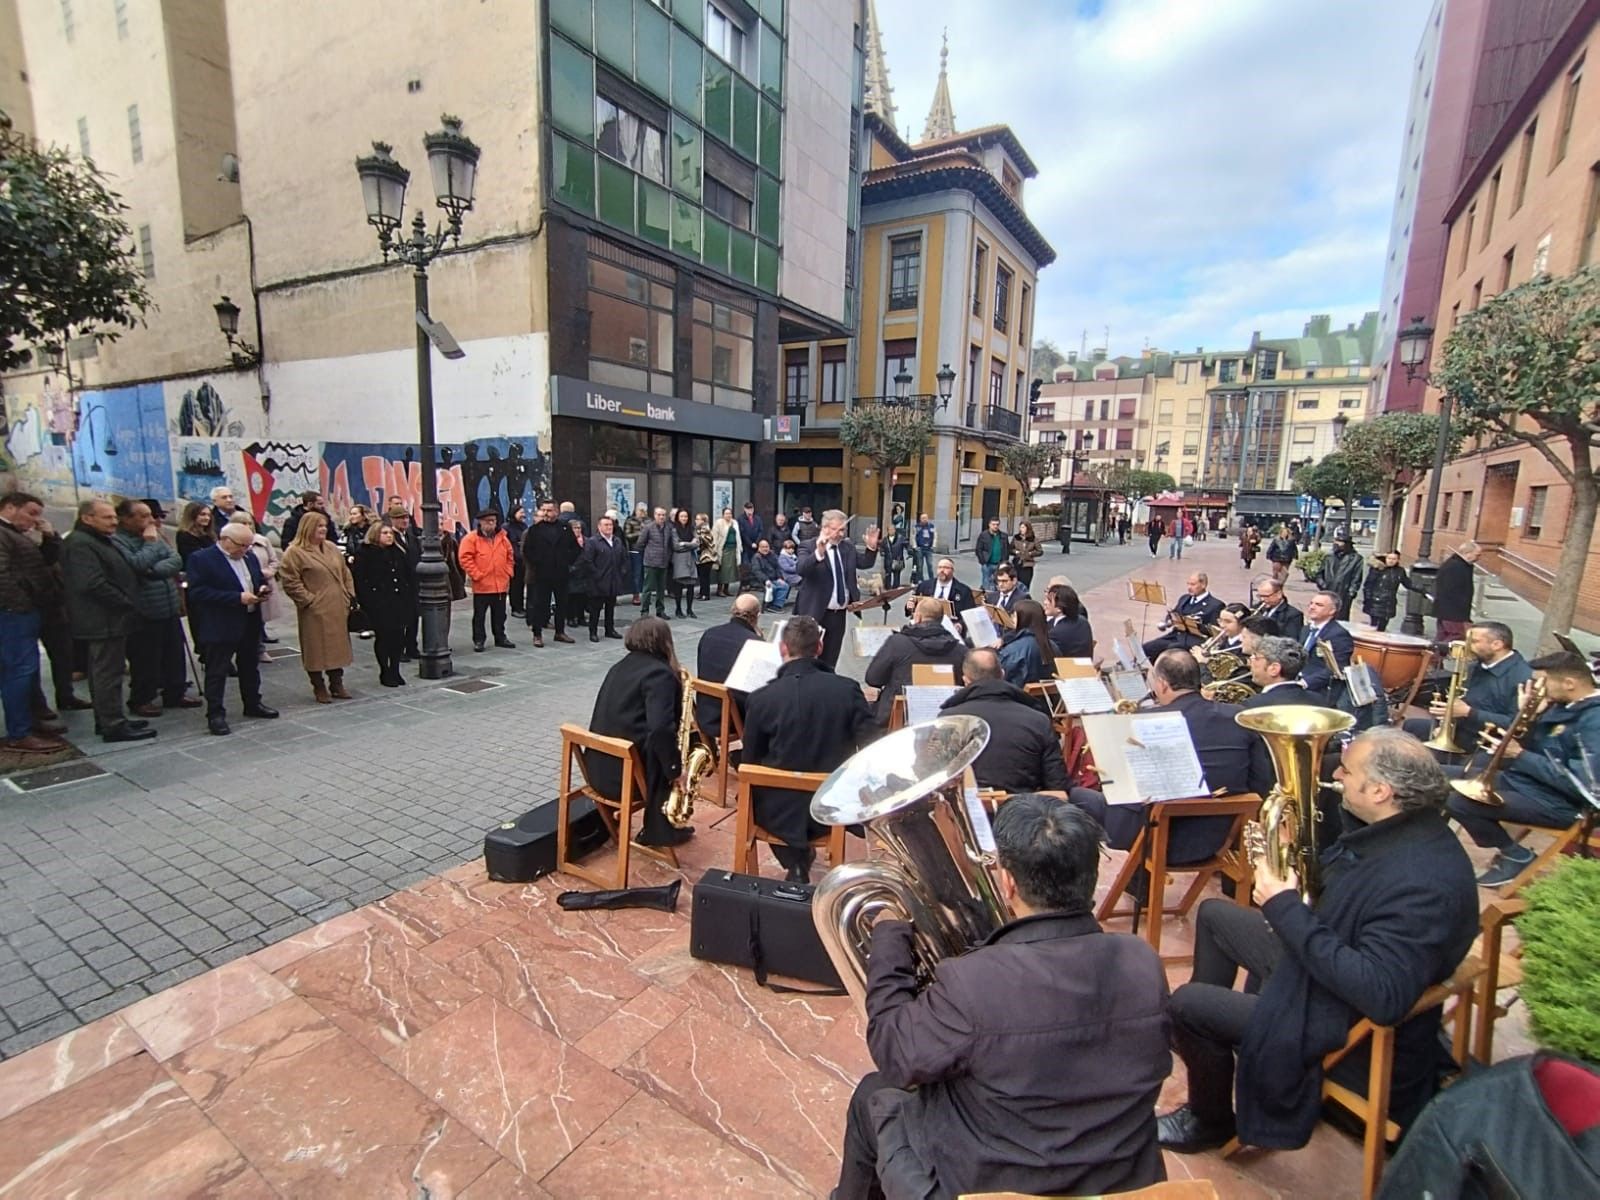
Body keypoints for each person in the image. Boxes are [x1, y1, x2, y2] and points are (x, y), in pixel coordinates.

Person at [1159, 728, 1479, 1154]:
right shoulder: (1402, 832)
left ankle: (1209, 1118)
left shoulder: (1424, 882)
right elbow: (1348, 901)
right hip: (1320, 971)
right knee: (1216, 916)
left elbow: (1381, 994)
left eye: (1346, 771)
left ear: (1381, 790)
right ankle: (1213, 1045)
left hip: (1332, 1017)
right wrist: (1288, 855)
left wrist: (1285, 905)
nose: (1336, 777)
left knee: (1188, 1003)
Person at [836, 795, 1171, 1200]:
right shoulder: (1144, 962)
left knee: (873, 1096)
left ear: (1007, 882)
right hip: (1122, 1183)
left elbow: (895, 1051)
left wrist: (889, 936)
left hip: (992, 1188)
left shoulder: (972, 983)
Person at [1071, 650, 1268, 866]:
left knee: (1075, 796)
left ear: (1163, 684)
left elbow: (1119, 788)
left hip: (1155, 837)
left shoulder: (1144, 720)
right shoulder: (1238, 717)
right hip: (1220, 836)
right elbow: (1260, 782)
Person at [1445, 651, 1600, 886]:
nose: (1538, 688)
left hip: (1561, 804)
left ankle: (1516, 856)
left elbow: (1583, 785)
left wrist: (1520, 756)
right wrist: (1527, 717)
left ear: (1569, 683)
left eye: (1543, 681)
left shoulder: (1594, 722)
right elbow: (1533, 747)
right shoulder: (1562, 705)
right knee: (1437, 776)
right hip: (1526, 781)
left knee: (1460, 801)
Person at [742, 616, 874, 882]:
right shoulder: (847, 690)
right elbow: (872, 746)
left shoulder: (761, 698)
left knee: (755, 787)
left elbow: (750, 761)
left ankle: (796, 861)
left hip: (776, 813)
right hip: (831, 807)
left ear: (782, 649)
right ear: (820, 648)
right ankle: (799, 861)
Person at [587, 616, 693, 849]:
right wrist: (676, 770)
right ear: (664, 641)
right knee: (662, 753)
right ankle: (659, 831)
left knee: (654, 747)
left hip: (595, 771)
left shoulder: (620, 666)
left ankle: (657, 827)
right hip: (625, 779)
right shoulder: (660, 674)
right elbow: (660, 729)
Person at [60, 499, 155, 743]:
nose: (113, 521)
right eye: (107, 517)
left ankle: (112, 719)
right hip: (103, 619)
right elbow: (92, 583)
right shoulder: (80, 543)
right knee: (106, 673)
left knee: (108, 672)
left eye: (114, 517)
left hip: (111, 618)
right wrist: (125, 601)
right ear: (87, 518)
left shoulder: (98, 540)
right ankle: (112, 724)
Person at [184, 524, 281, 734]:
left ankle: (253, 703)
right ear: (225, 540)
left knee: (250, 666)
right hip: (222, 622)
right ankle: (216, 714)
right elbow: (197, 593)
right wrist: (236, 598)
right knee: (217, 671)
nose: (245, 550)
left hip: (249, 620)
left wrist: (261, 589)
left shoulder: (249, 557)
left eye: (248, 545)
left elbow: (257, 579)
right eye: (241, 545)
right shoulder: (202, 559)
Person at [940, 650, 1069, 794]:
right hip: (1026, 811)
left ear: (966, 681)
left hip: (967, 812)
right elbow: (1058, 786)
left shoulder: (948, 719)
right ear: (1002, 674)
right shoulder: (1038, 720)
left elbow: (936, 779)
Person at [112, 499, 195, 717]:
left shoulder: (154, 535)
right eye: (144, 516)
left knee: (174, 652)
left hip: (167, 603)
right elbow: (136, 566)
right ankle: (142, 698)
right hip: (144, 608)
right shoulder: (119, 541)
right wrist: (149, 546)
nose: (151, 520)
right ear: (126, 519)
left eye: (151, 515)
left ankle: (175, 692)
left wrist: (154, 569)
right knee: (146, 658)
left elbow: (175, 559)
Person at [0, 492, 70, 753]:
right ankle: (19, 732)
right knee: (18, 670)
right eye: (31, 513)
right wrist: (21, 604)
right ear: (10, 507)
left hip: (30, 609)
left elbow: (43, 561)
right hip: (15, 613)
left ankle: (32, 718)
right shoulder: (3, 535)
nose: (35, 520)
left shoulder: (16, 535)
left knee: (26, 670)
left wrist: (49, 538)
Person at [1402, 621, 1533, 754]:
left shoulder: (1522, 677)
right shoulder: (1475, 666)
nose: (1466, 646)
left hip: (1485, 740)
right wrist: (1443, 721)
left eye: (1473, 641)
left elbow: (1514, 723)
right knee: (1411, 726)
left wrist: (1469, 712)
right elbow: (1462, 701)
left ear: (1497, 645)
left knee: (1424, 755)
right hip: (1464, 728)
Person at [278, 511, 356, 704]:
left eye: (324, 525)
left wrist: (348, 595)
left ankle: (336, 683)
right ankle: (318, 686)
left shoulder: (330, 547)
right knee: (316, 648)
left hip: (337, 605)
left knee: (338, 647)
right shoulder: (295, 552)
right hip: (314, 609)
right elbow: (290, 581)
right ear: (307, 528)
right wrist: (309, 600)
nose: (322, 529)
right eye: (318, 526)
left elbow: (345, 572)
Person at [863, 597, 967, 725]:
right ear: (941, 620)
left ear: (917, 617)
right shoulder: (960, 650)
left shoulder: (897, 643)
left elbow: (873, 678)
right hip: (943, 719)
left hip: (897, 719)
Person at [795, 509, 865, 669]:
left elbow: (863, 562)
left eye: (843, 530)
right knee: (809, 658)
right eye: (836, 529)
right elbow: (801, 569)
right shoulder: (808, 545)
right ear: (824, 528)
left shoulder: (847, 547)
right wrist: (819, 553)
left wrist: (872, 548)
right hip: (815, 612)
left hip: (838, 614)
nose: (840, 534)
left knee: (831, 660)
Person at [694, 592, 763, 745]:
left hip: (705, 712)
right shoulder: (754, 643)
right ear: (757, 616)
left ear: (732, 611)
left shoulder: (709, 634)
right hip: (733, 719)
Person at [352, 522, 415, 687]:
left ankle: (395, 669)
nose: (389, 536)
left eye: (390, 533)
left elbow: (407, 575)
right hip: (379, 603)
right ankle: (385, 671)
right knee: (384, 637)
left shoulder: (398, 552)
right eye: (384, 533)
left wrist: (409, 595)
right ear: (375, 535)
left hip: (399, 600)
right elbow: (360, 580)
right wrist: (368, 600)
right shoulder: (365, 553)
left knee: (398, 637)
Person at [457, 507, 517, 652]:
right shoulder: (471, 538)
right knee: (479, 615)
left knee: (500, 614)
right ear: (481, 523)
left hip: (500, 583)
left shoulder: (502, 537)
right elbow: (465, 558)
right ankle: (479, 640)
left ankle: (500, 637)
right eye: (488, 521)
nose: (492, 524)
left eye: (494, 521)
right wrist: (477, 575)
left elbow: (510, 555)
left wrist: (508, 572)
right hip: (482, 584)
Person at [521, 499, 579, 647]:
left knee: (561, 604)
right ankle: (537, 634)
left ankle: (560, 632)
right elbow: (527, 550)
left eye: (549, 510)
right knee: (540, 604)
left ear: (556, 512)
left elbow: (575, 548)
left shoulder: (565, 528)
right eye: (544, 510)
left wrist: (567, 562)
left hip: (561, 573)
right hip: (542, 573)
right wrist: (538, 562)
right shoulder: (535, 530)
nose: (546, 513)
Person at [1142, 572, 1224, 660]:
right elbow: (1174, 612)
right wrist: (1169, 621)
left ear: (1203, 584)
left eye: (1193, 584)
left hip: (1194, 641)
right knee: (1146, 648)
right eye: (1188, 584)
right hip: (1176, 636)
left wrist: (1196, 625)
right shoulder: (1184, 598)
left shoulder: (1215, 605)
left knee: (1170, 652)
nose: (1189, 587)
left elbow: (1214, 631)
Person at [574, 514, 625, 641]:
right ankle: (593, 631)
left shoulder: (617, 541)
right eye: (606, 525)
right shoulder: (593, 542)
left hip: (613, 580)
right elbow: (588, 561)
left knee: (610, 607)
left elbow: (624, 558)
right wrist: (596, 574)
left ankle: (610, 629)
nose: (609, 527)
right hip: (597, 582)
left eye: (610, 525)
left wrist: (622, 572)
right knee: (595, 609)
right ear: (599, 527)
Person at [1238, 636, 1324, 710]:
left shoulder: (1254, 705)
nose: (1250, 661)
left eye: (1256, 658)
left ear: (1274, 669)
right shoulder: (1320, 701)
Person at [1299, 590, 1355, 698]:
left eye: (1319, 605)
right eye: (1311, 603)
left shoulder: (1339, 635)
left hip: (1319, 689)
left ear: (1332, 611)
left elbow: (1336, 669)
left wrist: (1305, 682)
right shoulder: (1306, 630)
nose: (1312, 607)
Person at [1428, 541, 1480, 641]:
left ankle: (1435, 654)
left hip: (1447, 610)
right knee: (1456, 635)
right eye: (1477, 555)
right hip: (1452, 611)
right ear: (1468, 553)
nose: (1478, 558)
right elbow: (1451, 590)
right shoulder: (1456, 566)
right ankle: (1437, 654)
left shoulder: (1457, 564)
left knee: (1443, 635)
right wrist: (1463, 615)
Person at [1316, 535, 1364, 622]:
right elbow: (1320, 573)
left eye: (1340, 542)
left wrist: (1351, 592)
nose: (1336, 544)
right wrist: (1322, 584)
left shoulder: (1356, 559)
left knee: (1341, 617)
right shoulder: (1329, 557)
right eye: (1336, 542)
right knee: (1325, 615)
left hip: (1344, 593)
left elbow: (1357, 577)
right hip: (1328, 590)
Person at [636, 506, 673, 620]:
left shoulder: (668, 527)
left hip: (663, 562)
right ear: (654, 515)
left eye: (663, 515)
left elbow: (671, 543)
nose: (661, 517)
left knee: (661, 589)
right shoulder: (648, 527)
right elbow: (640, 543)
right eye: (659, 515)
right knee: (647, 588)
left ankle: (660, 610)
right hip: (651, 563)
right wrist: (649, 554)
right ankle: (644, 611)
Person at [907, 556, 975, 616]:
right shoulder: (924, 586)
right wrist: (909, 607)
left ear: (953, 570)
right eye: (940, 567)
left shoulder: (964, 591)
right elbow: (912, 608)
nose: (942, 570)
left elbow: (969, 614)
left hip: (951, 626)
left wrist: (960, 625)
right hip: (926, 626)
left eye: (946, 568)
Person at [1044, 583, 1093, 659]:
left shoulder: (1056, 633)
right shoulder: (1083, 621)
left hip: (1068, 669)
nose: (1045, 603)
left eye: (1049, 600)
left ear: (1059, 608)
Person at [1361, 550, 1405, 631]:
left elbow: (1407, 583)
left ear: (1398, 560)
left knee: (1383, 625)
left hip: (1389, 602)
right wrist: (1367, 599)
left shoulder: (1399, 571)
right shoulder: (1378, 568)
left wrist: (1423, 590)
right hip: (1376, 600)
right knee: (1374, 625)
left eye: (1394, 559)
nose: (1391, 561)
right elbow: (1368, 585)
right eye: (1389, 558)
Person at [1254, 576, 1304, 643]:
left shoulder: (1293, 615)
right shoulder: (1257, 608)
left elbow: (1291, 641)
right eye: (1260, 596)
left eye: (1266, 596)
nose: (1262, 599)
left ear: (1279, 594)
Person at [668, 507, 699, 619]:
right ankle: (678, 609)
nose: (684, 518)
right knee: (679, 586)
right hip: (679, 559)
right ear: (678, 517)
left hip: (690, 560)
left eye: (685, 516)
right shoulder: (674, 529)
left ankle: (690, 609)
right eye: (681, 516)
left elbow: (697, 543)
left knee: (691, 586)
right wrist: (690, 544)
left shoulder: (692, 528)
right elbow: (676, 546)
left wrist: (684, 544)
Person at [711, 506, 742, 597]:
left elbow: (738, 536)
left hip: (733, 549)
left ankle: (726, 589)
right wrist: (714, 549)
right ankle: (719, 589)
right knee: (723, 570)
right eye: (726, 513)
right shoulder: (719, 523)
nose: (728, 515)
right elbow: (715, 536)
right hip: (724, 549)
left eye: (730, 513)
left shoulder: (735, 523)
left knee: (731, 571)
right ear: (723, 514)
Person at [505, 504, 529, 617]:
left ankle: (520, 607)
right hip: (513, 560)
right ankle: (516, 608)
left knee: (521, 584)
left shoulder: (524, 526)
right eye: (521, 512)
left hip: (523, 560)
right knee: (515, 585)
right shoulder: (507, 527)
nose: (523, 515)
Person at [564, 518, 590, 627]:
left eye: (579, 528)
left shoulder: (587, 540)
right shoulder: (566, 541)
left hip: (584, 572)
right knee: (571, 596)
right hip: (571, 572)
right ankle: (570, 617)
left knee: (582, 596)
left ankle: (581, 617)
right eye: (575, 528)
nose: (578, 530)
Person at [749, 538, 786, 610]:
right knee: (773, 587)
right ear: (759, 548)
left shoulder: (772, 554)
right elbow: (757, 571)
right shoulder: (756, 557)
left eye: (767, 547)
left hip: (773, 578)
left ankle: (777, 605)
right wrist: (766, 580)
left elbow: (777, 567)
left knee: (784, 586)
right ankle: (768, 605)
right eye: (763, 547)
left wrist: (779, 577)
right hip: (759, 580)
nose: (765, 549)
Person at [622, 501, 647, 606]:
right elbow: (627, 535)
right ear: (636, 510)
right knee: (636, 574)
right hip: (635, 550)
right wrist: (641, 532)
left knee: (646, 574)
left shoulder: (649, 521)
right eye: (640, 511)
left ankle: (646, 595)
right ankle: (636, 595)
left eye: (644, 511)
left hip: (647, 550)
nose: (642, 513)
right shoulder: (630, 521)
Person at [175, 501, 216, 567]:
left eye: (209, 515)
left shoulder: (209, 534)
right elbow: (193, 557)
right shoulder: (184, 535)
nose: (207, 518)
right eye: (203, 514)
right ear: (192, 516)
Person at [975, 517, 1007, 592]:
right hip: (987, 564)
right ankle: (986, 597)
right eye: (993, 524)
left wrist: (1004, 561)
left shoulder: (1003, 536)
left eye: (997, 524)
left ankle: (996, 597)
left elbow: (1006, 549)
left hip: (999, 564)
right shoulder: (984, 535)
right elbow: (978, 549)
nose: (995, 526)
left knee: (998, 582)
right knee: (986, 581)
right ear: (989, 525)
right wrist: (982, 561)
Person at [691, 511, 716, 602]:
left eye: (698, 519)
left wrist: (697, 539)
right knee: (702, 576)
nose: (696, 521)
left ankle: (706, 594)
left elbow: (704, 542)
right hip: (701, 557)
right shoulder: (698, 529)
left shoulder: (705, 529)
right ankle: (702, 593)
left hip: (706, 557)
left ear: (703, 520)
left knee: (705, 577)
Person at [736, 501, 764, 572]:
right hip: (746, 545)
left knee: (756, 564)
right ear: (745, 509)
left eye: (751, 509)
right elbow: (742, 533)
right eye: (748, 509)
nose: (750, 511)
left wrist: (756, 542)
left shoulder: (758, 518)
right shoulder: (741, 519)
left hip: (756, 545)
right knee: (746, 565)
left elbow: (760, 531)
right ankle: (745, 581)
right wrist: (750, 543)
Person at [913, 511, 936, 583]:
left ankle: (931, 580)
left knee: (930, 565)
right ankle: (920, 580)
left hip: (929, 548)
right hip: (920, 548)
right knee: (920, 566)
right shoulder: (917, 527)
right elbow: (913, 536)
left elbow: (935, 536)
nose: (924, 519)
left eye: (926, 518)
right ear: (920, 519)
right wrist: (915, 546)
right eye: (923, 518)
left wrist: (934, 545)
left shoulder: (932, 526)